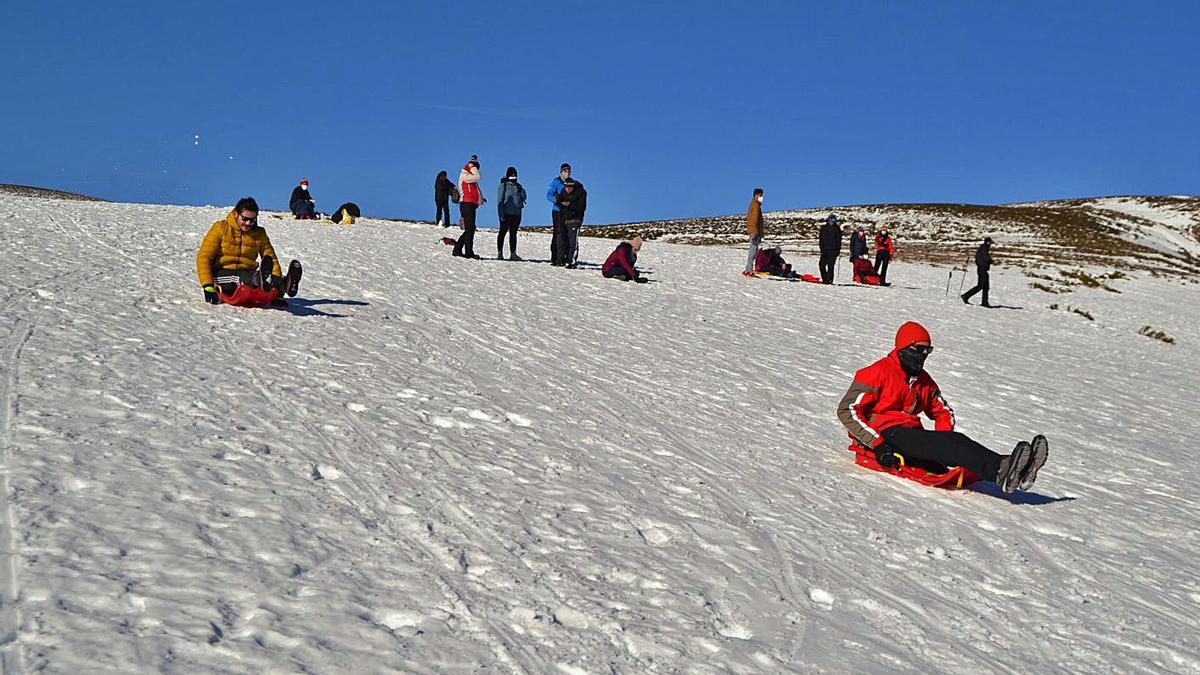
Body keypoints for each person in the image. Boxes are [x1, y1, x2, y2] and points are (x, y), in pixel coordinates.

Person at [836, 321, 1048, 493]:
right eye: (919, 350)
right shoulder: (876, 373)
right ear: (903, 349)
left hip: (910, 434)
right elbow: (847, 410)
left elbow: (942, 411)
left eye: (928, 351)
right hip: (886, 434)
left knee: (952, 444)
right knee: (952, 443)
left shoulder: (923, 380)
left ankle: (1020, 472)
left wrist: (942, 443)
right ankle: (1001, 469)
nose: (924, 356)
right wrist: (878, 444)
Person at [196, 197, 302, 305]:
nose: (248, 223)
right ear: (236, 214)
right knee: (242, 278)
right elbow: (204, 257)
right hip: (221, 273)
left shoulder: (259, 233)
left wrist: (277, 295)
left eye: (252, 220)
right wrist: (208, 287)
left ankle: (284, 284)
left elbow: (271, 258)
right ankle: (259, 280)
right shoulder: (221, 228)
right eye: (245, 218)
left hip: (248, 273)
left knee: (261, 277)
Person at [453, 156, 485, 259]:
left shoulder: (470, 178)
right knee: (470, 228)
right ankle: (468, 252)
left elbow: (476, 190)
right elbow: (478, 176)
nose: (476, 170)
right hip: (466, 204)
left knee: (470, 229)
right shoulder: (465, 175)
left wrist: (480, 199)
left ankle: (458, 249)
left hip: (470, 204)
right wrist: (472, 166)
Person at [555, 178, 587, 268]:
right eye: (566, 187)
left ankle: (571, 261)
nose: (568, 189)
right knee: (561, 240)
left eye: (570, 187)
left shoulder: (581, 192)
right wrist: (558, 201)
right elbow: (560, 202)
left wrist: (569, 204)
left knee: (573, 241)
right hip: (564, 219)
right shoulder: (563, 191)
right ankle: (560, 260)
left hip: (575, 219)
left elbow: (582, 207)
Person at [496, 166, 527, 260]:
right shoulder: (503, 185)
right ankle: (500, 253)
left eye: (515, 175)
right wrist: (501, 214)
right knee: (502, 232)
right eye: (512, 175)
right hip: (506, 213)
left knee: (513, 234)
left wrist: (521, 191)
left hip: (517, 214)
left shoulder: (518, 186)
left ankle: (513, 253)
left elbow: (524, 197)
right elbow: (500, 200)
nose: (514, 177)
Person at [547, 163, 572, 265]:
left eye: (569, 171)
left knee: (566, 234)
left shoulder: (571, 183)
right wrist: (556, 200)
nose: (567, 173)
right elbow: (549, 195)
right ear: (561, 171)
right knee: (557, 233)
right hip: (557, 211)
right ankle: (555, 256)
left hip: (568, 212)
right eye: (565, 171)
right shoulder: (555, 182)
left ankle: (564, 256)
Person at [962, 237, 994, 307]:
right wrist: (990, 261)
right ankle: (966, 296)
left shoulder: (983, 248)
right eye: (989, 243)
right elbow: (985, 258)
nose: (990, 244)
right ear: (987, 242)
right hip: (982, 269)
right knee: (980, 285)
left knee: (986, 286)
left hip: (983, 269)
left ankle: (985, 302)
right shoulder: (984, 248)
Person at [744, 188, 765, 277]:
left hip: (755, 231)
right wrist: (755, 232)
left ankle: (748, 269)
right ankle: (749, 270)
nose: (761, 197)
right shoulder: (755, 205)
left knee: (754, 251)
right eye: (760, 195)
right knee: (753, 251)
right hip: (754, 231)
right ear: (756, 195)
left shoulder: (756, 204)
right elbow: (754, 219)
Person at [818, 214, 843, 284]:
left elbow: (839, 241)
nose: (832, 221)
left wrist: (837, 251)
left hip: (833, 251)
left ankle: (829, 280)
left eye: (833, 220)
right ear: (828, 220)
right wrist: (822, 249)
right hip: (824, 250)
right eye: (831, 220)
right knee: (821, 265)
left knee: (830, 266)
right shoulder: (824, 228)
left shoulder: (837, 229)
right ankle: (825, 279)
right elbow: (821, 239)